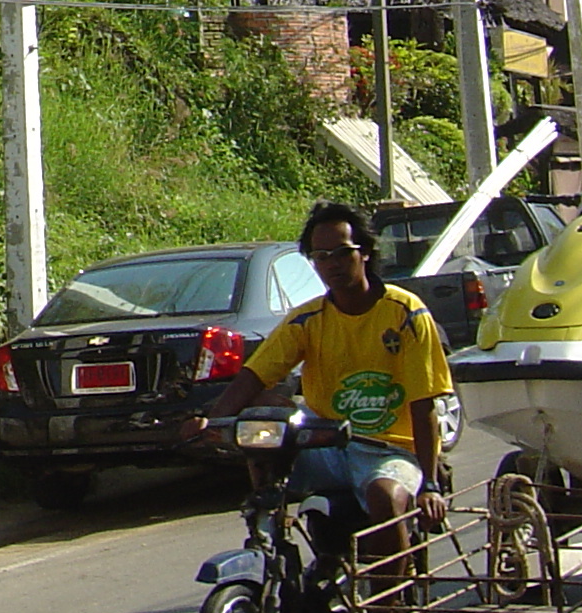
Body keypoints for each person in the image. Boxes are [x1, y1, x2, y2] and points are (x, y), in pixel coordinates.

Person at [185, 201, 451, 535]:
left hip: (392, 451)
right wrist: (213, 420)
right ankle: (272, 541)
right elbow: (255, 376)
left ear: (365, 252)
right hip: (326, 446)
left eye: (341, 253)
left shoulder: (406, 314)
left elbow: (423, 403)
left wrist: (430, 484)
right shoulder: (306, 320)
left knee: (384, 497)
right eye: (320, 256)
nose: (331, 265)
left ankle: (393, 586)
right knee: (262, 423)